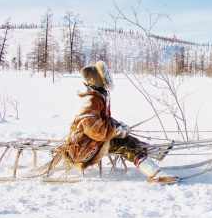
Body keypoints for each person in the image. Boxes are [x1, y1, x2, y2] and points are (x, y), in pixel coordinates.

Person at [40, 61, 178, 184]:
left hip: (93, 140)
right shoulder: (90, 100)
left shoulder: (98, 96)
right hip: (85, 146)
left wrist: (118, 125)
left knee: (128, 139)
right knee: (126, 144)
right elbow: (94, 128)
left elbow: (102, 120)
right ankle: (155, 174)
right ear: (97, 79)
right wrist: (115, 130)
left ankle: (151, 153)